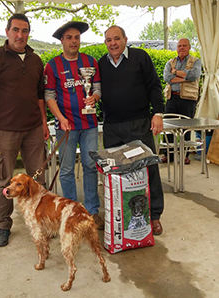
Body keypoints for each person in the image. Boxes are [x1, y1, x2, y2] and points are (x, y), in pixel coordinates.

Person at [0, 14, 50, 247]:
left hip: (34, 129)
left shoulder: (36, 60)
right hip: (5, 131)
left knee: (38, 179)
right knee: (4, 180)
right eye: (16, 30)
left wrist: (44, 122)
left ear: (29, 33)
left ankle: (44, 222)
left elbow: (40, 96)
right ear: (7, 31)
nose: (20, 35)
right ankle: (3, 226)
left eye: (25, 31)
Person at [98, 25, 164, 235]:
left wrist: (158, 113)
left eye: (117, 39)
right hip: (112, 127)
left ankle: (154, 216)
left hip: (139, 124)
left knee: (148, 169)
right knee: (116, 174)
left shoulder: (140, 57)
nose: (113, 44)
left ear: (125, 39)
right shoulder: (100, 64)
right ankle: (120, 215)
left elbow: (154, 85)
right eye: (109, 40)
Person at [44, 21, 104, 229]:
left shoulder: (90, 61)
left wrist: (94, 98)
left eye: (77, 37)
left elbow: (97, 89)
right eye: (69, 38)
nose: (74, 41)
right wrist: (60, 118)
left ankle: (92, 211)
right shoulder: (52, 66)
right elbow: (49, 96)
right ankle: (70, 212)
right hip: (66, 127)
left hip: (89, 125)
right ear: (62, 40)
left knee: (90, 166)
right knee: (67, 169)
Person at [161, 38, 202, 165]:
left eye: (184, 46)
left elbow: (194, 75)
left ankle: (185, 155)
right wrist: (184, 77)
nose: (181, 48)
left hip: (188, 99)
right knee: (168, 127)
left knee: (186, 128)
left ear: (189, 47)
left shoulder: (196, 61)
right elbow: (167, 77)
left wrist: (176, 73)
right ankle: (168, 155)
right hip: (172, 98)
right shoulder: (170, 62)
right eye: (179, 46)